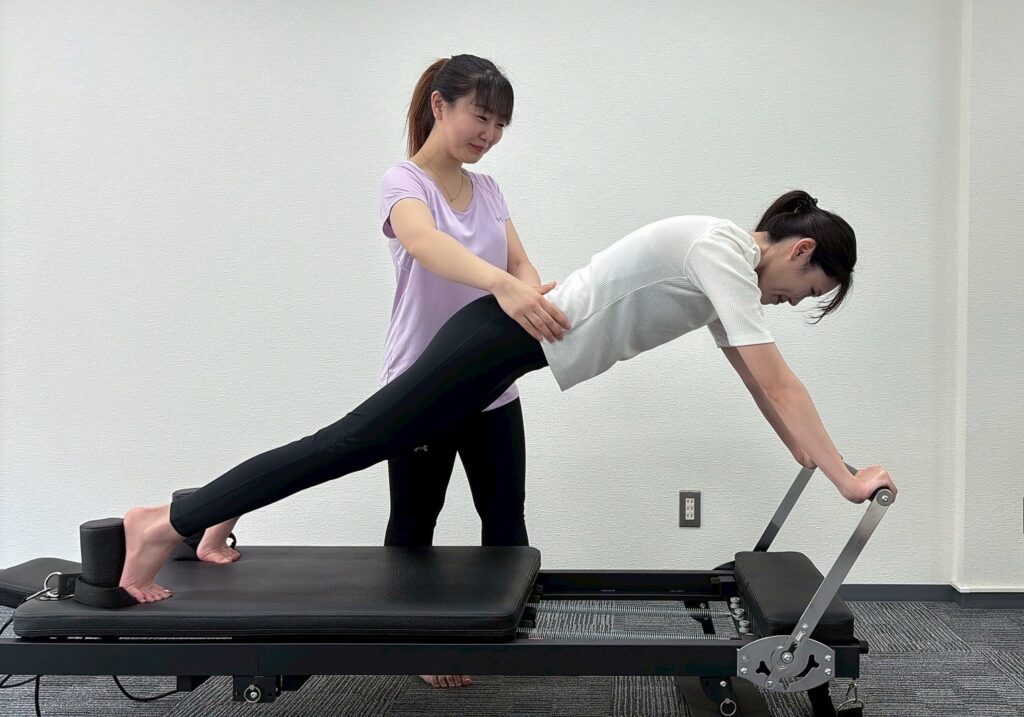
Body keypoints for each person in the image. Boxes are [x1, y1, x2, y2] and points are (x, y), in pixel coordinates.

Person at [115, 190, 899, 610]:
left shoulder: (723, 262)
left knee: (466, 495)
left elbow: (758, 380)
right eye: (808, 289)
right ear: (801, 250)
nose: (794, 301)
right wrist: (843, 475)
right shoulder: (722, 250)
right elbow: (778, 378)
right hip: (492, 343)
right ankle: (168, 518)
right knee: (350, 442)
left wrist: (811, 456)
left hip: (503, 357)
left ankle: (209, 513)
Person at [380, 55, 567, 688]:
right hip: (420, 385)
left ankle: (500, 640)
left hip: (492, 386)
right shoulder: (404, 183)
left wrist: (530, 292)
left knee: (506, 522)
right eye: (480, 117)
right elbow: (424, 243)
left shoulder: (487, 190)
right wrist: (502, 287)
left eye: (500, 125)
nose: (489, 134)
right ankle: (420, 648)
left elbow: (520, 263)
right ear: (440, 106)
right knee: (414, 525)